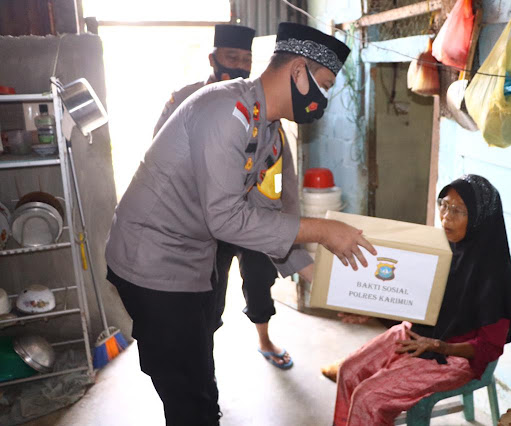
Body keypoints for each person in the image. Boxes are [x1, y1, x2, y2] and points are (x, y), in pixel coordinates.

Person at [105, 22, 376, 426]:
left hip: (191, 260)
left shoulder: (268, 132)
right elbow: (227, 218)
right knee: (184, 387)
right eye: (323, 82)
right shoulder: (223, 111)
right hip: (151, 263)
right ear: (298, 71)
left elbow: (271, 211)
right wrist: (321, 229)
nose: (325, 97)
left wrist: (325, 285)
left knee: (198, 370)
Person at [331, 174, 511, 426]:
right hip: (417, 332)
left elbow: (490, 347)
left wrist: (439, 346)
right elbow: (413, 296)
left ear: (479, 218)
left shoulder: (493, 274)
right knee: (348, 371)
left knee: (369, 397)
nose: (446, 216)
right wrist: (372, 308)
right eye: (444, 204)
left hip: (454, 355)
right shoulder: (440, 248)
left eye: (458, 211)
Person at [154, 24, 293, 369]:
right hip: (204, 222)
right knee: (207, 298)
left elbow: (277, 168)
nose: (240, 66)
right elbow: (160, 155)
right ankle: (205, 367)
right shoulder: (184, 98)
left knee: (261, 281)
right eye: (232, 57)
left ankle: (264, 339)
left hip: (251, 214)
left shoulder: (260, 105)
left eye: (247, 59)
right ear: (213, 58)